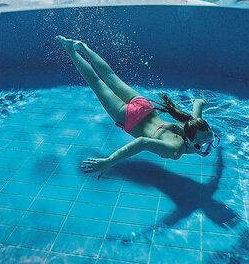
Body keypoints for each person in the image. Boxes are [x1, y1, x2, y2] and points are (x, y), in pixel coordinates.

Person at [56, 37, 219, 177]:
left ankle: (83, 47)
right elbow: (142, 142)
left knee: (110, 75)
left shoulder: (193, 123)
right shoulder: (175, 150)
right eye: (206, 143)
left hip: (145, 107)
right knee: (96, 82)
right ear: (195, 142)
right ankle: (70, 50)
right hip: (129, 116)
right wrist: (109, 161)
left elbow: (197, 102)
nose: (207, 146)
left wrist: (206, 101)